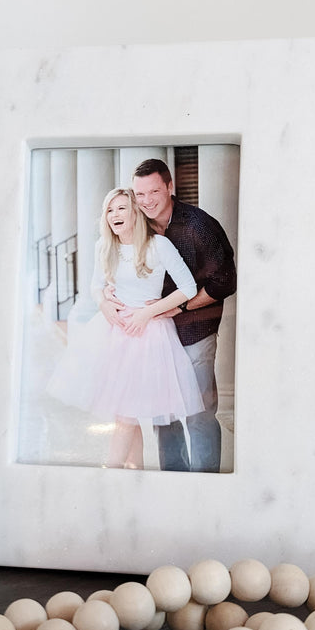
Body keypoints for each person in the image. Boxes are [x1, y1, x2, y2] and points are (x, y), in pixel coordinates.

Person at [47, 188, 204, 469]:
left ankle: (111, 470)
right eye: (109, 210)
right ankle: (135, 471)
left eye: (121, 208)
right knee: (126, 412)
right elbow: (96, 287)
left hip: (149, 333)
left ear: (135, 213)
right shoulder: (104, 246)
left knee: (125, 418)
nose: (114, 215)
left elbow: (189, 288)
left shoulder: (159, 246)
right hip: (114, 332)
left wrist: (148, 313)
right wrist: (104, 303)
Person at [103, 158, 237, 473]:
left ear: (169, 187)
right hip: (153, 334)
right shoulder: (139, 222)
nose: (147, 200)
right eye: (140, 194)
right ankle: (173, 478)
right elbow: (120, 265)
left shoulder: (198, 225)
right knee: (163, 412)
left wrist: (183, 306)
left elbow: (226, 280)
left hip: (193, 330)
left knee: (198, 412)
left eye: (154, 191)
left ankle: (204, 482)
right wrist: (107, 296)